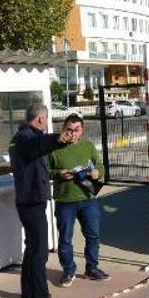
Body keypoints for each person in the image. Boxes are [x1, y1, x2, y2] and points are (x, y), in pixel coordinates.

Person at [9, 103, 72, 298]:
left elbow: (40, 146)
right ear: (40, 120)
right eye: (46, 120)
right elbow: (36, 145)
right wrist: (56, 138)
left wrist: (58, 142)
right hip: (31, 201)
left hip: (29, 200)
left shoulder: (24, 136)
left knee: (32, 247)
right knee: (39, 252)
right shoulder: (25, 137)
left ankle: (28, 290)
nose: (46, 124)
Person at [48, 114, 109, 287]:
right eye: (69, 130)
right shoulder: (54, 149)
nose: (73, 134)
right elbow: (45, 171)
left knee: (93, 236)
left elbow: (100, 167)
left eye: (77, 130)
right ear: (63, 129)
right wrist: (58, 174)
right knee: (65, 239)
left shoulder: (88, 147)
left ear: (82, 131)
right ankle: (68, 271)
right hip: (65, 201)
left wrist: (97, 172)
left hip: (88, 199)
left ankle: (92, 268)